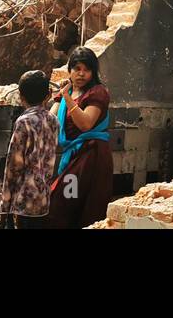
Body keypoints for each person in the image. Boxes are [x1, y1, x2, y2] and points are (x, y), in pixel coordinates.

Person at [47, 47, 113, 228]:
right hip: (74, 156)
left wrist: (67, 98)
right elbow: (51, 122)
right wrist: (60, 97)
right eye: (77, 69)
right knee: (67, 202)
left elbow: (85, 124)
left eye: (87, 69)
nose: (82, 74)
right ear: (70, 71)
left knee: (70, 203)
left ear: (93, 72)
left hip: (91, 157)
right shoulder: (66, 92)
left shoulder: (97, 92)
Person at [1, 70, 58, 230]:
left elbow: (13, 165)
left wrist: (5, 203)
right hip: (43, 200)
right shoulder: (53, 120)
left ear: (21, 97)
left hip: (23, 201)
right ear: (49, 94)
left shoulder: (23, 122)